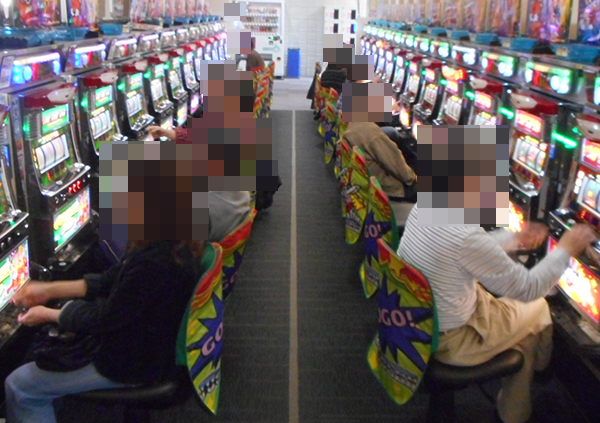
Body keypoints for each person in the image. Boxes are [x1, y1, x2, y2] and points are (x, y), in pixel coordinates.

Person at [397, 204, 597, 423]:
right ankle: (543, 372)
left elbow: (470, 247)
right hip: (450, 340)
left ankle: (514, 413)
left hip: (416, 322)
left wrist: (515, 238)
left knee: (524, 338)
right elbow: (529, 287)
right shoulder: (466, 237)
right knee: (538, 306)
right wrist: (566, 248)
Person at [5, 241, 205, 423]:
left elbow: (104, 318)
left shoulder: (156, 261)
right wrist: (49, 290)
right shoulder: (172, 242)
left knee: (21, 386)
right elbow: (111, 280)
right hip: (150, 342)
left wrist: (49, 314)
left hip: (136, 361)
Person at [341, 121, 417, 202]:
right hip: (387, 187)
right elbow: (400, 170)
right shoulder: (373, 134)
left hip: (366, 180)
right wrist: (414, 178)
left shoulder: (354, 125)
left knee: (393, 134)